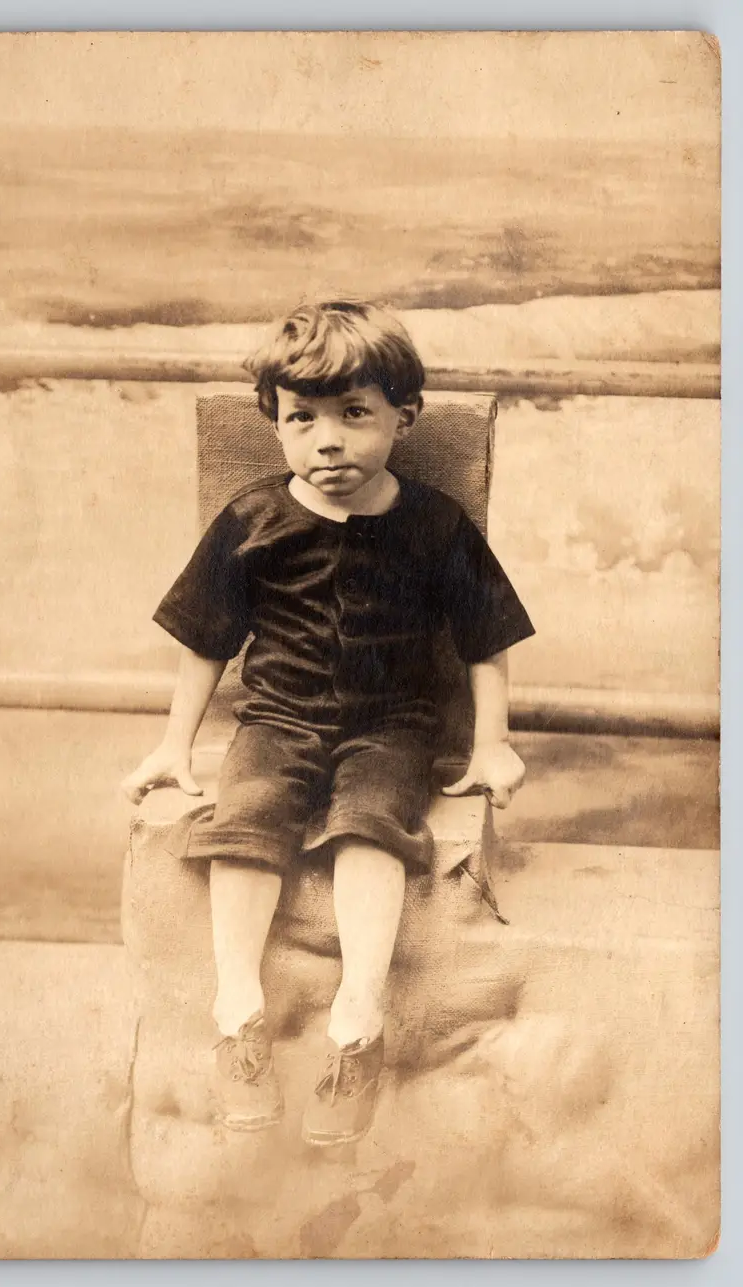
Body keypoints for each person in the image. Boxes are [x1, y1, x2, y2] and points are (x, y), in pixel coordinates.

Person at [122, 300, 535, 1147]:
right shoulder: (252, 519)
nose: (328, 441)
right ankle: (237, 1009)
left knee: (368, 825)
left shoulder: (434, 525)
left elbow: (485, 636)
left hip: (392, 725)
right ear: (274, 423)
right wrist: (174, 742)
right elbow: (206, 641)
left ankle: (360, 1017)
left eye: (356, 415)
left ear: (402, 418)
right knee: (244, 820)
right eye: (301, 419)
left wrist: (492, 740)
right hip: (276, 718)